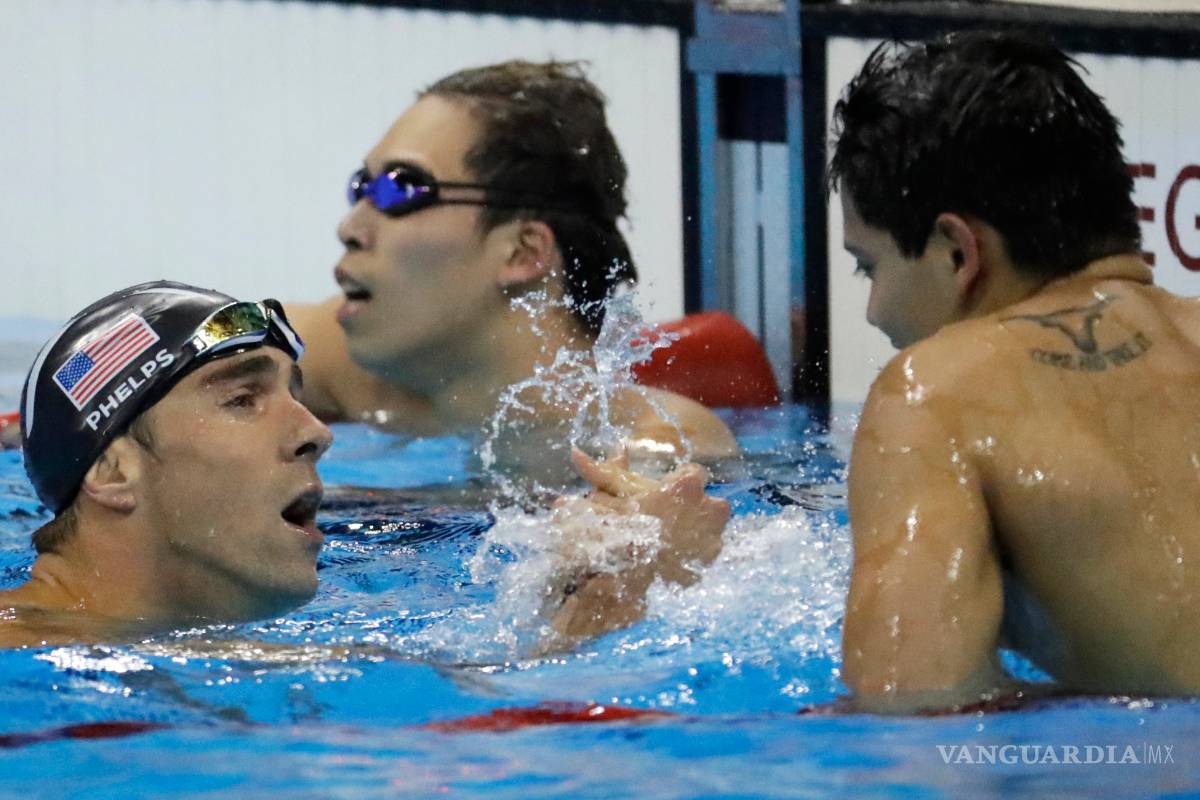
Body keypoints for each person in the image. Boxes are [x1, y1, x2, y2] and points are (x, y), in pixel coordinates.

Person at [2, 281, 729, 648]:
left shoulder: (196, 649)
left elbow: (482, 730)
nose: (315, 431)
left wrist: (589, 583)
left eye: (295, 392)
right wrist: (614, 603)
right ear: (113, 472)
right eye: (242, 400)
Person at [827, 31, 1200, 712]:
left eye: (870, 266)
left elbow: (907, 722)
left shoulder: (934, 395)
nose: (874, 310)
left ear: (957, 252)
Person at [286, 60, 738, 473]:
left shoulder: (653, 447)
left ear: (523, 252)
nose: (350, 226)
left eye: (401, 188)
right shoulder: (358, 374)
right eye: (361, 187)